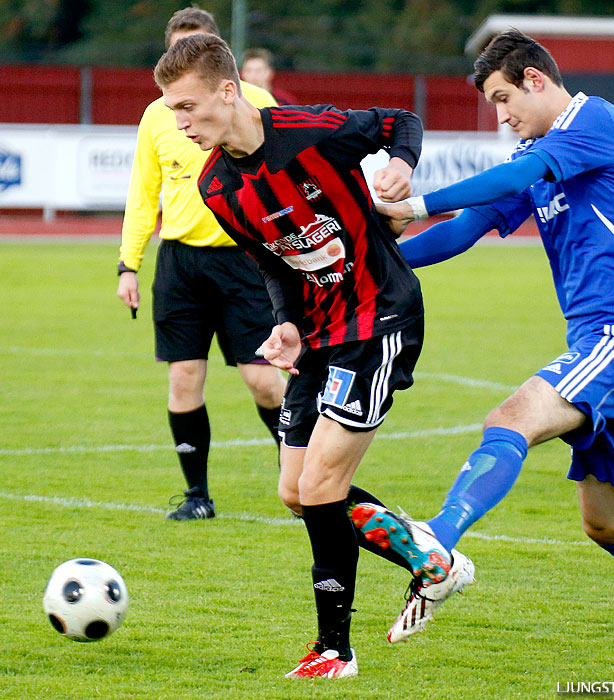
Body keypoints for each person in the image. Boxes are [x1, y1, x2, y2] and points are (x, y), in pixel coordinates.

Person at [361, 29, 614, 664]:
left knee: (511, 416)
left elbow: (526, 171)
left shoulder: (596, 121)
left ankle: (438, 544)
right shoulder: (538, 153)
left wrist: (417, 201)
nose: (503, 115)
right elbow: (462, 233)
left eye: (504, 98)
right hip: (606, 342)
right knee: (607, 521)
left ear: (535, 79)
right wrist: (369, 267)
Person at [153, 33, 474, 679]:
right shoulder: (217, 187)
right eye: (171, 112)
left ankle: (334, 649)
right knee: (295, 492)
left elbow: (399, 121)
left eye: (187, 107)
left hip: (379, 316)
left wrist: (403, 163)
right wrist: (288, 324)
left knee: (322, 485)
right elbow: (274, 262)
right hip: (320, 333)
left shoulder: (310, 131)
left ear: (227, 89)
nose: (180, 123)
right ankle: (432, 562)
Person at [116, 5, 287, 521]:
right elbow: (144, 193)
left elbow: (281, 181)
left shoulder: (257, 103)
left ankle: (300, 473)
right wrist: (129, 264)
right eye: (174, 50)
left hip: (247, 264)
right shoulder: (156, 115)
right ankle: (197, 497)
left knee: (263, 381)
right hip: (181, 266)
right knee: (183, 380)